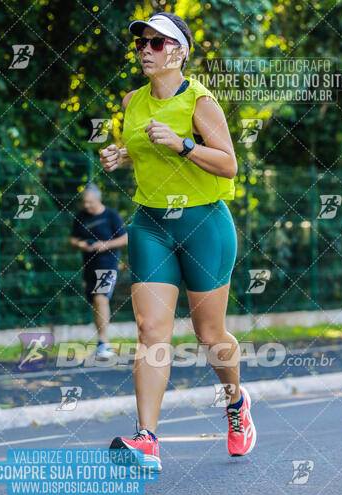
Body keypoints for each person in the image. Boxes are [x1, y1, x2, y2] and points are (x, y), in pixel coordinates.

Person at [100, 12, 256, 471]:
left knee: (209, 335)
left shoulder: (200, 103)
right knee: (151, 331)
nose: (145, 50)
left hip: (204, 224)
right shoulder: (132, 101)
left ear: (180, 51)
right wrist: (121, 154)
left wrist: (184, 144)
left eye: (156, 43)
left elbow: (228, 165)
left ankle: (236, 404)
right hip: (151, 224)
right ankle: (147, 438)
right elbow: (146, 148)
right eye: (141, 43)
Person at [70, 183, 127, 359]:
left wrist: (105, 245)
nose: (86, 205)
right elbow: (73, 239)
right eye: (84, 202)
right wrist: (81, 244)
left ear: (98, 199)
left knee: (100, 298)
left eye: (89, 202)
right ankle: (102, 342)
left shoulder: (111, 215)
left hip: (108, 264)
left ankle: (104, 343)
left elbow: (125, 238)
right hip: (89, 265)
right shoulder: (81, 216)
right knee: (95, 303)